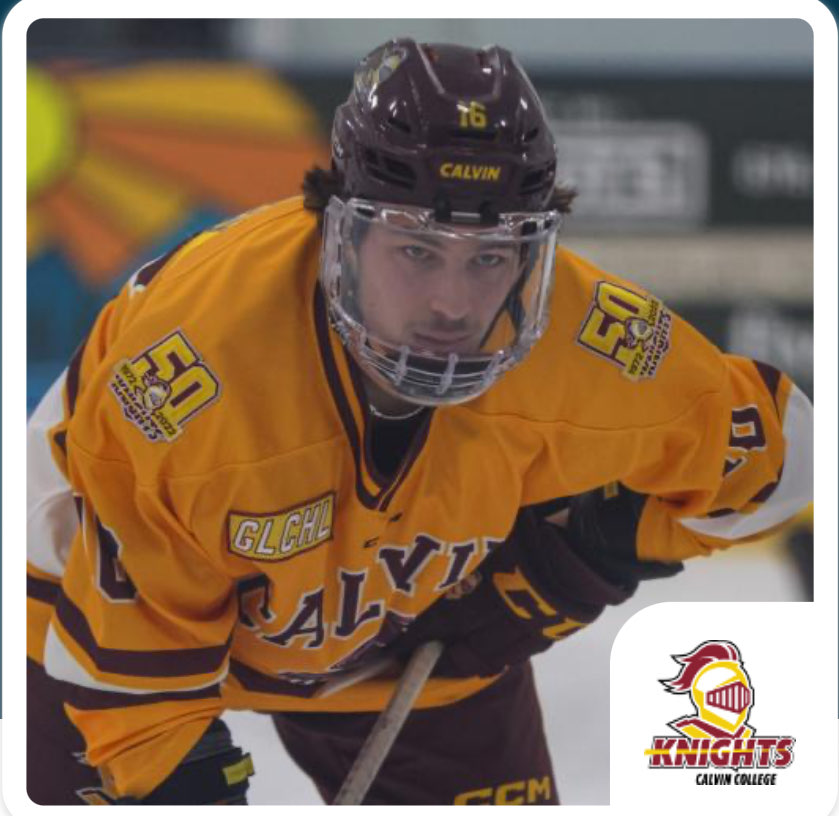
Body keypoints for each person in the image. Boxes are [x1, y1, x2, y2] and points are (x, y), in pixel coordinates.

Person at [26, 38, 813, 806]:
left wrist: (591, 550)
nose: (451, 305)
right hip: (86, 635)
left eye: (489, 258)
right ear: (339, 232)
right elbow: (131, 693)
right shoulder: (197, 373)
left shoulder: (587, 343)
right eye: (416, 251)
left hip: (400, 638)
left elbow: (788, 459)